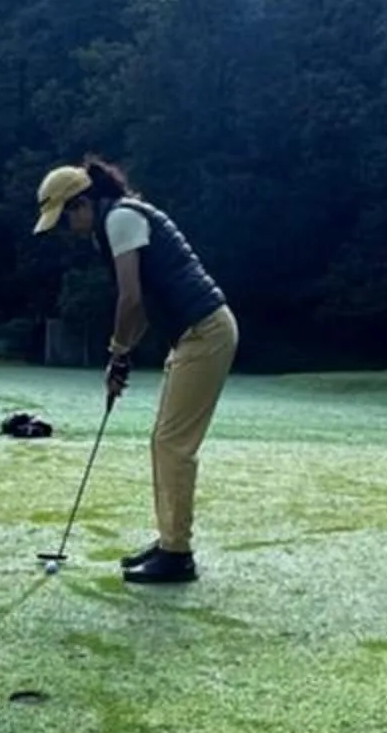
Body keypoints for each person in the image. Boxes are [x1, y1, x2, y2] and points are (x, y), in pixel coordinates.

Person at [34, 156, 237, 584]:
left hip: (205, 332)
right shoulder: (117, 222)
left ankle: (177, 555)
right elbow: (141, 306)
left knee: (172, 443)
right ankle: (169, 541)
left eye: (65, 219)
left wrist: (117, 351)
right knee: (164, 440)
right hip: (193, 335)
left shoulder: (121, 219)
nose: (68, 231)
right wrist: (121, 358)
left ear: (81, 204)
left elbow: (129, 300)